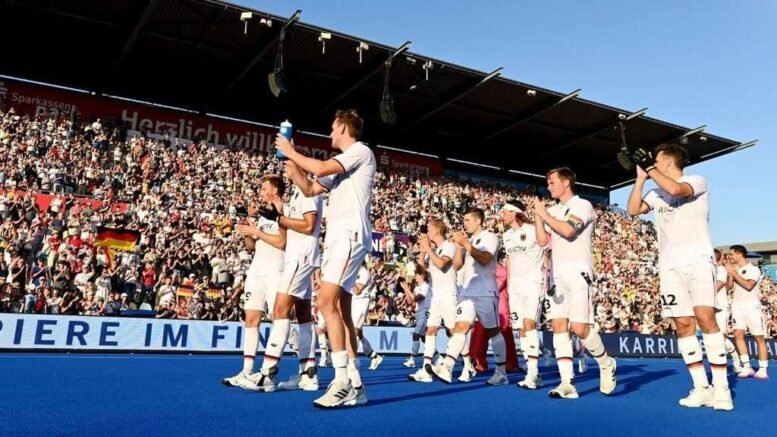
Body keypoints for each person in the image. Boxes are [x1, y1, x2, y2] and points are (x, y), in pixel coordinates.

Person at [275, 109, 375, 408]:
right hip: (338, 240)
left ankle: (341, 379)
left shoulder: (359, 151)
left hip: (349, 236)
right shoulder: (344, 166)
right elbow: (310, 187)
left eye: (333, 128)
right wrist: (294, 171)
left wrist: (292, 150)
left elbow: (319, 169)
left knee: (324, 302)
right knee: (341, 310)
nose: (330, 133)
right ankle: (356, 383)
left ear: (344, 128)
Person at [627, 144, 732, 410]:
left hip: (698, 260)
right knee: (683, 325)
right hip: (669, 266)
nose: (653, 161)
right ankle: (701, 387)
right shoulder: (655, 192)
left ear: (668, 161)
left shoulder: (695, 181)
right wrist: (640, 178)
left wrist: (649, 169)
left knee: (705, 318)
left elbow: (676, 190)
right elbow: (632, 210)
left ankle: (722, 389)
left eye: (656, 159)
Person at [531, 167, 616, 399]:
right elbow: (542, 242)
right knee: (559, 326)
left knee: (580, 328)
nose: (548, 187)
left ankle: (606, 363)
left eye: (552, 182)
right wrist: (539, 216)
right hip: (558, 275)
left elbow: (569, 231)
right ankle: (567, 382)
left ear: (566, 182)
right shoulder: (553, 209)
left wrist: (546, 214)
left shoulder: (582, 205)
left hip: (579, 272)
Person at [248, 173, 325, 392]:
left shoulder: (307, 191)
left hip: (299, 258)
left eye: (289, 165)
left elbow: (308, 225)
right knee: (303, 316)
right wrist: (278, 212)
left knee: (279, 312)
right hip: (303, 257)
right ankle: (308, 374)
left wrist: (278, 219)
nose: (287, 169)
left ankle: (267, 373)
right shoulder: (299, 194)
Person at [430, 208, 508, 386]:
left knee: (493, 331)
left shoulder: (490, 237)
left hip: (486, 291)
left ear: (478, 221)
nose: (464, 224)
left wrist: (465, 244)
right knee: (460, 327)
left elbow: (485, 259)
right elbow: (457, 266)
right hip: (468, 291)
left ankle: (501, 371)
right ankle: (447, 367)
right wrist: (459, 248)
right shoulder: (470, 241)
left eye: (467, 220)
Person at [223, 176, 286, 390]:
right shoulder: (261, 213)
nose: (260, 190)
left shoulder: (283, 211)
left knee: (279, 318)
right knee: (251, 318)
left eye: (264, 187)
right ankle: (247, 371)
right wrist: (248, 231)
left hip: (276, 271)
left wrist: (256, 232)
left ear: (275, 190)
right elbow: (252, 246)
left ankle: (281, 368)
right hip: (256, 270)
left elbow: (282, 242)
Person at [409, 219, 462, 383]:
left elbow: (441, 264)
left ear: (437, 231)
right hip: (435, 296)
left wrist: (428, 250)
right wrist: (422, 253)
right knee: (430, 331)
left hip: (448, 294)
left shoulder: (448, 246)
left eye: (429, 229)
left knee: (453, 331)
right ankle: (426, 368)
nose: (427, 232)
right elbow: (420, 272)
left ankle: (465, 363)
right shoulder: (434, 249)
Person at [501, 199, 545, 390]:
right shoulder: (507, 235)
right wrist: (510, 286)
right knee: (520, 329)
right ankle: (532, 370)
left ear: (514, 213)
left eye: (504, 212)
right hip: (516, 287)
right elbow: (509, 260)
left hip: (533, 283)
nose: (501, 215)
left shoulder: (533, 229)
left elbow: (548, 252)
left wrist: (548, 277)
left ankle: (533, 373)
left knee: (529, 325)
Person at [726, 244, 768, 379]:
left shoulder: (753, 269)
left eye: (731, 254)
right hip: (737, 306)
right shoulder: (735, 269)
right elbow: (728, 287)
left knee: (759, 337)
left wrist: (733, 273)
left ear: (739, 254)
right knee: (738, 334)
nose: (730, 256)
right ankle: (747, 366)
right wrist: (731, 274)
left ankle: (762, 368)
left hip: (752, 307)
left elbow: (749, 286)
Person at [713, 249, 742, 373]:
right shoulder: (710, 271)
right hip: (710, 308)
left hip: (721, 308)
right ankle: (719, 363)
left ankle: (736, 360)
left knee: (721, 338)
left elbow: (718, 286)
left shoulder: (720, 270)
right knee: (714, 338)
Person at [351, 262, 383, 370]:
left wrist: (348, 278)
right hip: (353, 303)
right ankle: (374, 356)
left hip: (361, 302)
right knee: (358, 333)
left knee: (354, 330)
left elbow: (357, 290)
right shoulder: (354, 270)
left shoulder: (364, 272)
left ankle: (352, 360)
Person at [401, 266, 431, 369]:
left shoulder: (426, 286)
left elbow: (415, 298)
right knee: (423, 338)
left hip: (425, 313)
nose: (415, 277)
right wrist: (407, 290)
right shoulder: (417, 287)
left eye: (417, 275)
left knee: (416, 335)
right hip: (418, 313)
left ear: (422, 276)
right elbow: (410, 301)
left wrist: (406, 289)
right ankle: (436, 357)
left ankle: (412, 359)